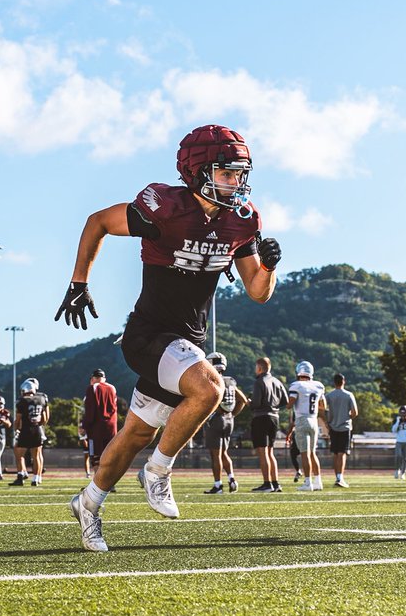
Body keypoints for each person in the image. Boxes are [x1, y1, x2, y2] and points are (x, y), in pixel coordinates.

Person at [57, 124, 280, 552]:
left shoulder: (242, 219)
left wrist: (268, 267)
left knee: (135, 436)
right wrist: (78, 281)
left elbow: (257, 292)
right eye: (227, 173)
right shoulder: (164, 207)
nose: (237, 183)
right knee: (210, 388)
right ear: (198, 172)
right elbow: (98, 221)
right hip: (150, 334)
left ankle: (88, 503)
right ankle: (157, 472)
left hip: (186, 343)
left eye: (240, 174)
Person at [202, 352, 247, 494]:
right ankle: (232, 479)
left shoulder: (213, 381)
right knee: (224, 453)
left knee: (215, 455)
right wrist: (233, 414)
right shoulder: (230, 381)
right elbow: (243, 400)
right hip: (229, 420)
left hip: (217, 419)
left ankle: (218, 485)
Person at [288, 361, 326, 492]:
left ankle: (308, 482)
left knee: (304, 454)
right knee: (313, 453)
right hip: (314, 420)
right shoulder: (318, 386)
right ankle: (318, 482)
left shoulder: (296, 385)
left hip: (302, 419)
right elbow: (323, 406)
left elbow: (289, 403)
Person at [250, 356, 287, 492]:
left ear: (259, 368)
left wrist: (249, 402)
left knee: (263, 451)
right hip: (274, 417)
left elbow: (256, 403)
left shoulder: (259, 382)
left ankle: (267, 483)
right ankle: (275, 483)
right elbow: (285, 400)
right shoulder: (277, 381)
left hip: (261, 417)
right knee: (271, 452)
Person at [320, 373, 357, 487]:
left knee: (335, 453)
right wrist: (347, 417)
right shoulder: (349, 395)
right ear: (343, 381)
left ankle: (337, 477)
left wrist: (326, 421)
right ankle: (340, 478)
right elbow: (355, 412)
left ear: (334, 382)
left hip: (333, 427)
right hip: (345, 427)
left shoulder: (329, 395)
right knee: (342, 453)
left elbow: (321, 407)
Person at [11, 378, 49, 487]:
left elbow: (18, 419)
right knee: (36, 455)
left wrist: (16, 429)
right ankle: (36, 479)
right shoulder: (41, 399)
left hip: (26, 430)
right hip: (37, 429)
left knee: (19, 454)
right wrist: (38, 424)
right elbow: (44, 418)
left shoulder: (22, 401)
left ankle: (20, 475)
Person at [82, 369, 118, 478]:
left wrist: (85, 426)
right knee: (109, 455)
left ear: (93, 379)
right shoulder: (112, 388)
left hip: (96, 428)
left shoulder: (92, 388)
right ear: (104, 378)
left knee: (95, 456)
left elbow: (90, 411)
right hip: (111, 427)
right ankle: (110, 483)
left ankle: (98, 484)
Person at [391, 406, 406, 480]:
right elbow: (393, 430)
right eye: (401, 412)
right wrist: (398, 421)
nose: (402, 414)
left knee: (405, 458)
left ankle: (403, 473)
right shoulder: (396, 420)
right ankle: (397, 470)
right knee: (398, 456)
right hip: (399, 441)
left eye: (404, 412)